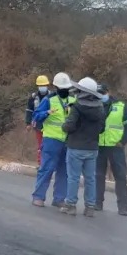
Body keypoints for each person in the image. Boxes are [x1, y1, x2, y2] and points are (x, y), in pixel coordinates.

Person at [60, 77, 107, 217]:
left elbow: (69, 126)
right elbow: (102, 128)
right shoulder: (100, 108)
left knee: (73, 177)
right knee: (90, 178)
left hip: (76, 147)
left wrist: (65, 126)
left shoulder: (77, 107)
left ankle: (71, 205)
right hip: (92, 148)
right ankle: (90, 207)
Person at [30, 71, 74, 208]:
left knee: (64, 171)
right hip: (51, 140)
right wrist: (46, 113)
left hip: (68, 142)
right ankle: (38, 196)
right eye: (62, 89)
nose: (65, 91)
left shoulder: (73, 101)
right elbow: (36, 116)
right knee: (46, 168)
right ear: (56, 88)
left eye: (66, 88)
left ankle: (59, 198)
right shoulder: (48, 100)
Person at [96, 83, 127, 216]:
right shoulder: (95, 105)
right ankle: (97, 203)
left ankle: (123, 207)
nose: (101, 95)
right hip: (100, 145)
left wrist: (123, 141)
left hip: (115, 147)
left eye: (103, 92)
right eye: (98, 93)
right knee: (98, 175)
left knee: (120, 177)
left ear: (108, 92)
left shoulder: (120, 106)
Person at [26, 75, 51, 167]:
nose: (42, 87)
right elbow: (29, 110)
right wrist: (28, 123)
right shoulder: (33, 97)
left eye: (44, 85)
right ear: (38, 86)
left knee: (48, 145)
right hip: (38, 125)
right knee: (40, 145)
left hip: (50, 125)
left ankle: (48, 163)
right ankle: (40, 163)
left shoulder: (52, 96)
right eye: (41, 85)